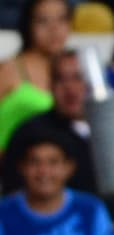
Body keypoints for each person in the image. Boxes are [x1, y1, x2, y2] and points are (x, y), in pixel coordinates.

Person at [2, 48, 96, 194]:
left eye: (78, 78)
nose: (70, 88)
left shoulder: (111, 129)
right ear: (50, 85)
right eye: (61, 79)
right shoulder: (29, 134)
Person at [0, 0, 70, 151]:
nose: (54, 29)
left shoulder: (74, 72)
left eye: (61, 19)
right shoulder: (9, 69)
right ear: (28, 25)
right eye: (43, 21)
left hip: (52, 169)